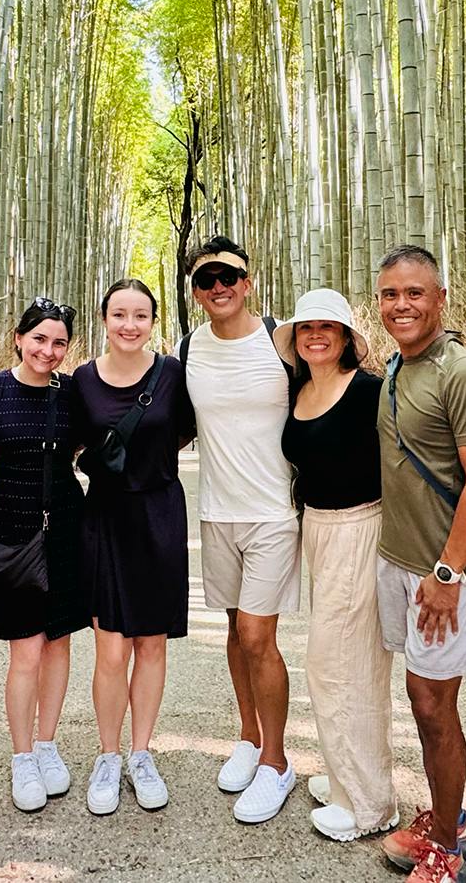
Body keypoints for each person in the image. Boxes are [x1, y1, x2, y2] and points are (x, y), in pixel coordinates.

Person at [372, 245, 466, 883]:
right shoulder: (399, 367)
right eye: (390, 295)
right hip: (401, 564)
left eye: (415, 293)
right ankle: (449, 818)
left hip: (445, 575)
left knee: (432, 704)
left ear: (440, 298)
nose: (402, 305)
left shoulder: (464, 374)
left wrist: (447, 574)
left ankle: (446, 850)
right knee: (422, 696)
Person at [177, 235, 300, 824]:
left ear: (248, 282)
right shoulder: (189, 347)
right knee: (233, 631)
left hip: (274, 511)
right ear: (195, 292)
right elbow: (170, 423)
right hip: (216, 511)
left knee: (257, 637)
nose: (219, 286)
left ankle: (277, 762)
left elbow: (338, 390)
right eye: (206, 279)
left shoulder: (282, 339)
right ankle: (249, 737)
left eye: (229, 275)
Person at [275, 288, 397, 843]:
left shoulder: (372, 390)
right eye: (306, 328)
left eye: (328, 326)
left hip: (360, 527)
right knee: (342, 660)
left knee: (339, 664)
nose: (316, 335)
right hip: (318, 531)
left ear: (347, 336)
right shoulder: (299, 390)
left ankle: (369, 804)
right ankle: (348, 779)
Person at [71, 278, 196, 816]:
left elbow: (184, 431)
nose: (129, 325)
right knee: (110, 650)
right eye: (119, 314)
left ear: (154, 321)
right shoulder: (80, 380)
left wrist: (147, 465)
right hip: (105, 519)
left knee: (152, 645)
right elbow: (72, 443)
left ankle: (141, 754)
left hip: (160, 516)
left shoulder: (171, 373)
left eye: (140, 315)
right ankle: (107, 755)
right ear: (104, 318)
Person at [0, 297, 89, 814]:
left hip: (65, 528)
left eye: (59, 342)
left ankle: (47, 744)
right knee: (26, 651)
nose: (49, 350)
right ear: (18, 338)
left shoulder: (72, 394)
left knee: (58, 644)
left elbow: (84, 450)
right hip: (13, 531)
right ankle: (21, 756)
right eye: (39, 339)